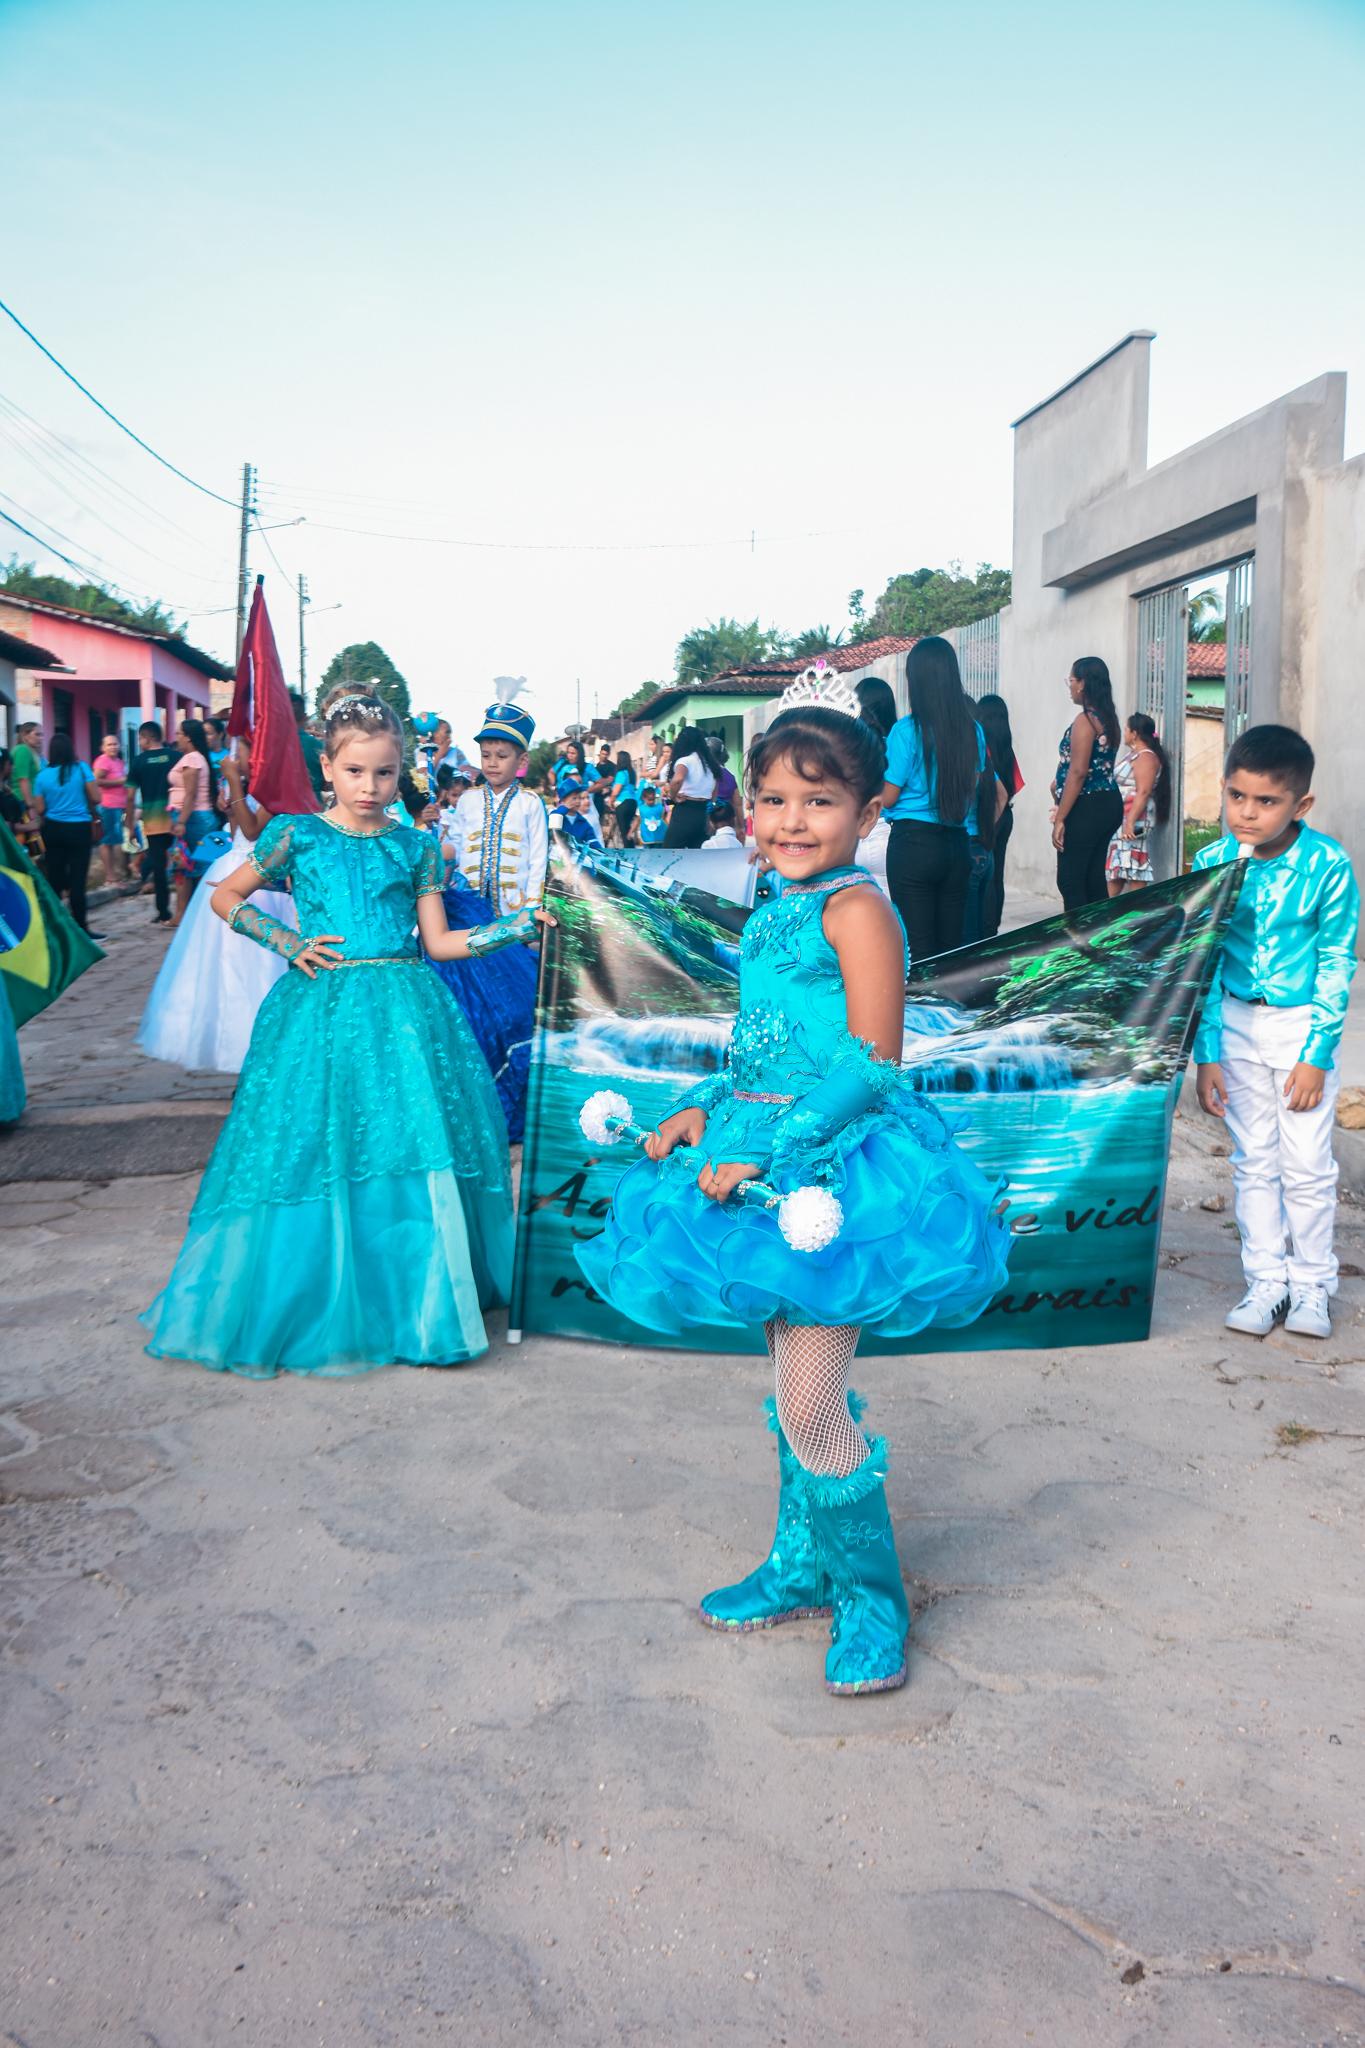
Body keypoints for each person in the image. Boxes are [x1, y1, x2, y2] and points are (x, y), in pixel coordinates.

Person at [577, 690, 1008, 1696]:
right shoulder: (773, 912)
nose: (789, 820)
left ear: (866, 814)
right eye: (771, 799)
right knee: (788, 1385)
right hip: (756, 1151)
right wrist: (700, 1107)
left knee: (814, 1402)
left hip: (834, 1167)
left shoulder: (859, 908)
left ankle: (872, 1598)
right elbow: (763, 1047)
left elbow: (874, 1059)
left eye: (817, 801)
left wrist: (780, 1148)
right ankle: (803, 1564)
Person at [141, 693, 551, 1377]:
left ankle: (420, 1298)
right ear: (327, 767)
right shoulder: (295, 836)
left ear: (402, 773)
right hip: (321, 1012)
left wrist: (515, 927)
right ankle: (322, 1290)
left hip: (407, 1013)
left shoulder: (416, 847)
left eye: (385, 774)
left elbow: (441, 943)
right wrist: (287, 941)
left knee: (409, 1142)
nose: (370, 787)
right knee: (320, 1141)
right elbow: (225, 896)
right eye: (356, 771)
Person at [1193, 725, 1358, 1343]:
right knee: (1254, 1159)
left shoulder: (1327, 866)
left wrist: (1316, 1056)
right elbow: (1203, 964)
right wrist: (1207, 1055)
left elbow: (1338, 963)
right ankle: (1266, 1280)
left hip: (1299, 1028)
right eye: (1237, 797)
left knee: (1308, 1164)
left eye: (1266, 802)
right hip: (1233, 1023)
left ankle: (1313, 1284)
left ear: (1301, 805)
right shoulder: (1211, 865)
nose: (1248, 813)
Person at [138, 742, 296, 1073]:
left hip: (259, 879)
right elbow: (239, 830)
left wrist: (235, 787)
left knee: (259, 966)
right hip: (232, 869)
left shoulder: (274, 791)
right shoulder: (247, 788)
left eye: (244, 756)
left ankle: (263, 1047)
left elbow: (254, 832)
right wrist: (231, 804)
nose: (237, 761)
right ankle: (230, 1040)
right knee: (225, 963)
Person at [429, 705, 548, 1142]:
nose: (492, 763)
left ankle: (515, 1094)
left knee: (516, 1006)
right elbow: (455, 848)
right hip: (468, 919)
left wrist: (530, 915)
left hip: (514, 922)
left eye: (502, 755)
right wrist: (430, 846)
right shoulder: (469, 800)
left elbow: (538, 861)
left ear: (521, 761)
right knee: (473, 1007)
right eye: (487, 755)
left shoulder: (532, 805)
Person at [881, 637, 986, 963]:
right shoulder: (973, 731)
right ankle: (948, 1009)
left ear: (917, 681)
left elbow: (889, 795)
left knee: (918, 950)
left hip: (913, 846)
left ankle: (923, 1013)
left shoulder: (905, 731)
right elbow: (973, 787)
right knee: (950, 948)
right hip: (957, 844)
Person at [1052, 657, 1123, 910]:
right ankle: (1100, 939)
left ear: (1082, 684)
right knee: (1092, 880)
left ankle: (1079, 943)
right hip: (1107, 802)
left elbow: (1079, 771)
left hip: (1087, 806)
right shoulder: (1107, 718)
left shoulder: (1085, 720)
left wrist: (1061, 817)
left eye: (1071, 680)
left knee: (1070, 881)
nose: (1069, 686)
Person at [32, 733, 99, 934]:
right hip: (79, 829)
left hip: (52, 830)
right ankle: (82, 928)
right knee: (78, 880)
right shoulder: (81, 768)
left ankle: (55, 929)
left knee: (55, 877)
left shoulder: (42, 776)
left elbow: (40, 808)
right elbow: (96, 797)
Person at [1106, 712, 1170, 896]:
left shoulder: (1146, 757)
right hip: (1124, 816)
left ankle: (1131, 908)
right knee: (1122, 864)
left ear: (1134, 733)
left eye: (1126, 729)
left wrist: (1130, 822)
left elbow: (1143, 791)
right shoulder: (1135, 755)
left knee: (1133, 863)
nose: (1124, 732)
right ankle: (1108, 910)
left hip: (1135, 817)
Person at [975, 694, 1022, 937]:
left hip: (987, 815)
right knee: (997, 875)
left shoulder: (981, 745)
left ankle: (984, 928)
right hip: (1006, 818)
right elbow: (1014, 785)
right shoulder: (1006, 746)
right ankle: (992, 926)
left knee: (983, 874)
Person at [168, 719, 219, 925]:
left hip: (193, 819)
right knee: (191, 867)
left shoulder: (192, 759)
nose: (176, 737)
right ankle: (190, 913)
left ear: (188, 737)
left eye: (179, 733)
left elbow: (190, 794)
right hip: (195, 818)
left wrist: (181, 821)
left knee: (191, 867)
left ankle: (187, 914)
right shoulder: (195, 758)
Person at [124, 721, 176, 924]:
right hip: (176, 818)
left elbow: (129, 797)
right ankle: (187, 908)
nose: (139, 742)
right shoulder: (175, 757)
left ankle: (163, 911)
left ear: (147, 737)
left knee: (159, 866)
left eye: (140, 738)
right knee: (184, 863)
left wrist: (129, 826)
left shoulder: (138, 762)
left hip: (153, 821)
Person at [663, 725, 719, 847]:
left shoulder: (685, 761)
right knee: (697, 855)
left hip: (685, 809)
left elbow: (677, 779)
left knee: (670, 852)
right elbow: (715, 791)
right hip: (703, 812)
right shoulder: (710, 764)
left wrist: (673, 797)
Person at [92, 734, 129, 887]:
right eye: (109, 744)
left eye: (115, 744)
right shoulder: (103, 761)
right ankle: (110, 877)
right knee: (107, 841)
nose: (113, 747)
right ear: (103, 747)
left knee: (115, 841)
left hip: (118, 806)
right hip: (107, 805)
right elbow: (96, 781)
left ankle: (115, 875)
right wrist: (118, 781)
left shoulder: (119, 762)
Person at [290, 691, 327, 801]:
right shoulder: (318, 746)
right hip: (312, 806)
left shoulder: (269, 747)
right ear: (305, 717)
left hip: (277, 810)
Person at [547, 780, 602, 845]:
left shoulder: (583, 822)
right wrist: (565, 807)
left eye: (579, 798)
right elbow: (554, 825)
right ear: (562, 801)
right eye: (574, 798)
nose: (578, 801)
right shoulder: (556, 815)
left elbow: (595, 845)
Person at [609, 750, 639, 847]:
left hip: (623, 803)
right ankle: (632, 849)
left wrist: (611, 801)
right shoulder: (632, 773)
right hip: (633, 802)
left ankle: (628, 852)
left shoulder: (621, 773)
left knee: (624, 832)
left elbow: (616, 791)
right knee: (628, 830)